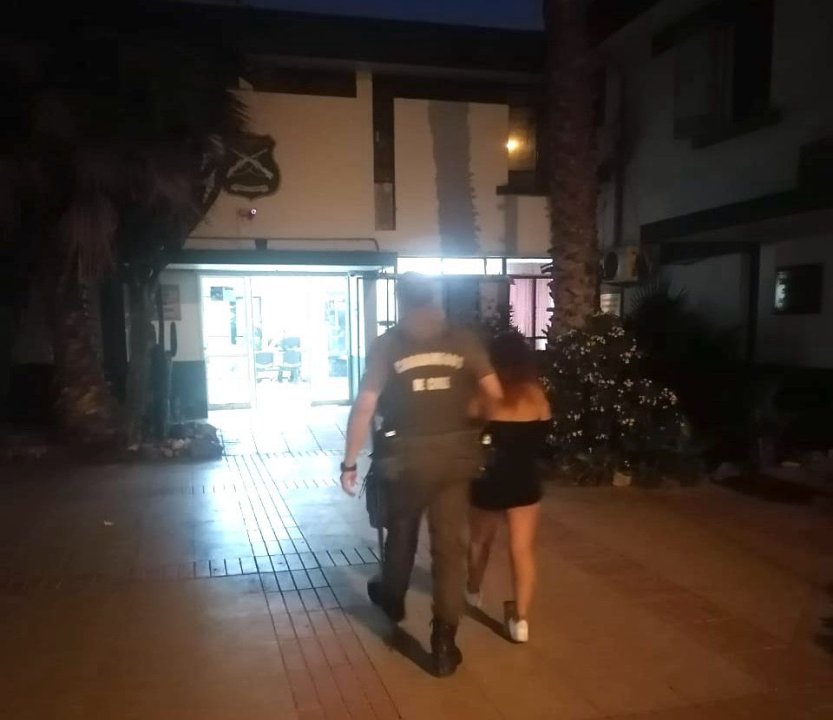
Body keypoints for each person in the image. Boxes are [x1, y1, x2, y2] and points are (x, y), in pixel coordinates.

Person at [340, 273, 502, 678]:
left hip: (405, 460)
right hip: (455, 460)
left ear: (401, 301)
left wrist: (349, 463)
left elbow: (365, 405)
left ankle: (392, 599)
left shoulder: (389, 345)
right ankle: (444, 644)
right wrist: (474, 418)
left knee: (401, 533)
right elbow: (495, 395)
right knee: (449, 550)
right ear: (435, 298)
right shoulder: (462, 340)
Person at [466, 331, 551, 643]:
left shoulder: (483, 396)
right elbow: (544, 439)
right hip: (525, 480)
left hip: (487, 479)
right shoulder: (537, 396)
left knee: (480, 541)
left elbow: (467, 427)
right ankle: (521, 620)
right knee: (522, 549)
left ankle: (473, 590)